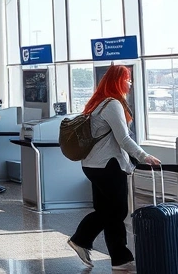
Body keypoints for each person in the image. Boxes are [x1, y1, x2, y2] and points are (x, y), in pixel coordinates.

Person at [68, 65, 161, 271]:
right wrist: (144, 156)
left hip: (93, 165)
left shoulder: (98, 102)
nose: (130, 83)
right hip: (107, 165)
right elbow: (123, 139)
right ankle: (85, 241)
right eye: (127, 79)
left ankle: (117, 258)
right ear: (118, 81)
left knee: (107, 211)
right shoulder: (112, 104)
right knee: (117, 211)